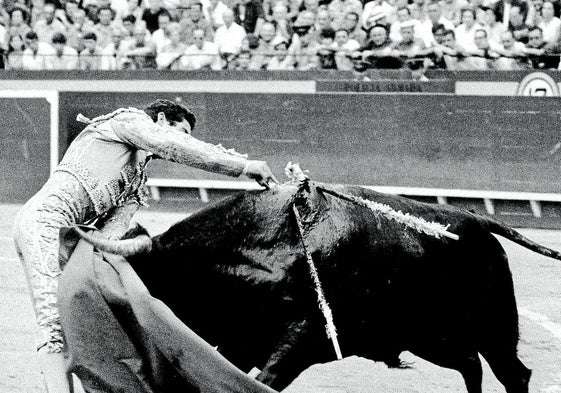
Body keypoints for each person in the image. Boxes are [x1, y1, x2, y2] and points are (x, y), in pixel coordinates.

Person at [13, 98, 278, 393]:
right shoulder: (125, 121)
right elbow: (173, 146)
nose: (184, 139)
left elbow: (109, 236)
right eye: (182, 130)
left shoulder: (136, 183)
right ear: (162, 119)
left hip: (74, 240)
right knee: (54, 326)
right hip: (45, 220)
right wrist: (242, 166)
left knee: (78, 322)